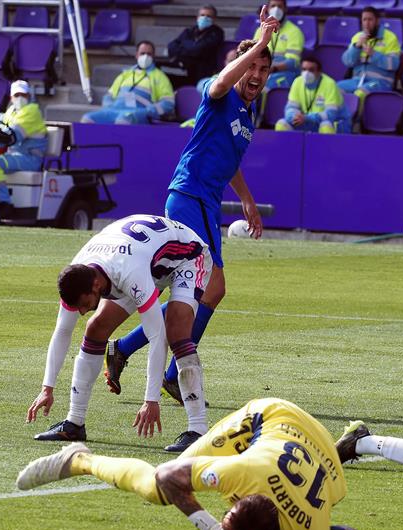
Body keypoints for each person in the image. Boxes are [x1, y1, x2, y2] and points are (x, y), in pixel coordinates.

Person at [104, 10, 275, 444]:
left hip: (207, 204)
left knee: (208, 292)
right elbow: (221, 81)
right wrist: (258, 43)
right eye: (251, 66)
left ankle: (126, 350)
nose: (256, 74)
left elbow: (230, 164)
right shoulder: (219, 95)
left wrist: (248, 200)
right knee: (204, 290)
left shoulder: (247, 116)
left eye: (263, 68)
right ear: (239, 67)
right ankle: (168, 373)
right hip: (187, 196)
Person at [17, 397, 359, 530]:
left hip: (324, 457)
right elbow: (169, 476)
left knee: (335, 493)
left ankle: (349, 444)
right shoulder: (238, 473)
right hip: (271, 417)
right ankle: (79, 460)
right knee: (157, 488)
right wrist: (207, 526)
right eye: (227, 529)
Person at [26, 214, 213, 453]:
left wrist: (151, 400)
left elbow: (157, 336)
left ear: (95, 285)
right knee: (95, 328)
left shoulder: (129, 273)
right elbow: (62, 330)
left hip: (187, 256)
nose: (81, 311)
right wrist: (47, 388)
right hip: (142, 260)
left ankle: (198, 430)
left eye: (84, 304)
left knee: (176, 331)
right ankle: (74, 423)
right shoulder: (79, 272)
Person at [0, 80, 48, 218]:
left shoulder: (31, 111)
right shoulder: (13, 111)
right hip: (17, 156)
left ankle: (4, 204)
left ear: (28, 96)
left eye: (23, 95)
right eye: (17, 95)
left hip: (30, 158)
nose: (20, 98)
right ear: (11, 97)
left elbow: (13, 134)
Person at [81, 41, 175, 125]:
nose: (145, 57)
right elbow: (109, 95)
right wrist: (108, 105)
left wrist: (149, 111)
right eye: (142, 53)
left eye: (149, 54)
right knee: (87, 119)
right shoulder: (125, 74)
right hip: (115, 110)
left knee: (124, 120)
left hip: (139, 112)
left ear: (153, 56)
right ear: (136, 55)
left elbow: (169, 103)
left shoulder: (160, 77)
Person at [338, 7, 401, 104]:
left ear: (377, 21)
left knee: (360, 93)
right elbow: (348, 62)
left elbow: (394, 64)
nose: (367, 23)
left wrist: (374, 54)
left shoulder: (390, 37)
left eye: (370, 20)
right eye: (364, 20)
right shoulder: (357, 37)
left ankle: (356, 114)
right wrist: (356, 47)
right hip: (358, 80)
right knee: (335, 89)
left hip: (379, 82)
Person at [275, 57, 351, 134]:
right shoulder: (297, 82)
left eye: (311, 70)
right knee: (281, 124)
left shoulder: (330, 84)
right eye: (304, 69)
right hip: (307, 121)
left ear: (319, 72)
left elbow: (330, 115)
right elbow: (290, 107)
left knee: (326, 125)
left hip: (330, 123)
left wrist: (307, 117)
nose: (306, 73)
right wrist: (295, 116)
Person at [167, 4, 225, 88]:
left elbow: (198, 50)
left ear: (214, 19)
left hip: (203, 71)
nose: (205, 18)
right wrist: (191, 47)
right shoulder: (189, 30)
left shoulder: (217, 33)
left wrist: (184, 46)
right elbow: (171, 46)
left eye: (208, 16)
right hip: (185, 66)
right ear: (197, 17)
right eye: (202, 15)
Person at [252, 0, 303, 91]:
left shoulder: (294, 31)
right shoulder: (260, 30)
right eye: (273, 6)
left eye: (280, 6)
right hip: (262, 69)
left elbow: (293, 62)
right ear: (268, 9)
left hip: (284, 72)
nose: (276, 9)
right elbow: (253, 54)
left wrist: (273, 68)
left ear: (285, 9)